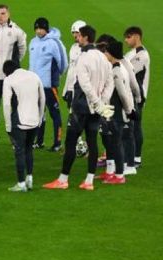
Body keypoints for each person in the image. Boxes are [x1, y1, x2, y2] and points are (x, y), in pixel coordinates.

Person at [43, 25, 114, 191]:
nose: (77, 38)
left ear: (86, 38)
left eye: (79, 36)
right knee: (92, 142)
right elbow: (110, 81)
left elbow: (84, 83)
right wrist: (102, 102)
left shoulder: (83, 57)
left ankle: (63, 180)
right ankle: (89, 181)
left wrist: (96, 101)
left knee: (70, 142)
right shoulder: (103, 57)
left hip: (81, 107)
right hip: (96, 109)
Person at [0, 4, 27, 145]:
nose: (0, 16)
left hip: (11, 76)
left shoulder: (16, 31)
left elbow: (22, 49)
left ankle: (14, 136)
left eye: (2, 13)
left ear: (8, 14)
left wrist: (14, 63)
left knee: (13, 104)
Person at [1, 60, 45, 192]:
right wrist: (40, 117)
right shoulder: (34, 75)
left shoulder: (9, 80)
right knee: (29, 149)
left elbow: (7, 105)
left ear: (7, 72)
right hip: (35, 120)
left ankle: (20, 183)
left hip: (19, 121)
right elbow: (42, 98)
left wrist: (8, 125)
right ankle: (29, 179)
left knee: (19, 151)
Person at [97, 40, 136, 185]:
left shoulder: (117, 71)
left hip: (118, 113)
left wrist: (128, 111)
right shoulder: (117, 68)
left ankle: (119, 176)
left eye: (106, 51)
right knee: (112, 142)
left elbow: (123, 94)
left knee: (116, 142)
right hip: (114, 111)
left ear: (111, 54)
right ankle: (111, 172)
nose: (105, 54)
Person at [28, 17, 67, 151]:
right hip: (35, 85)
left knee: (54, 114)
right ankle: (39, 141)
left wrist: (55, 77)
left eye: (41, 29)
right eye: (37, 29)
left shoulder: (54, 43)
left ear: (46, 29)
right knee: (38, 114)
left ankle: (57, 143)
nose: (38, 31)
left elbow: (63, 63)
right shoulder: (32, 42)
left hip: (49, 85)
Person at [124, 26, 150, 168]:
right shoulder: (132, 53)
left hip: (138, 95)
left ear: (137, 36)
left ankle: (136, 158)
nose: (126, 40)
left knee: (135, 127)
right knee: (130, 127)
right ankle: (130, 156)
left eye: (129, 36)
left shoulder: (142, 55)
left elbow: (129, 72)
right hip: (131, 94)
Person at [63, 20, 86, 108]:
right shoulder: (73, 47)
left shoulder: (89, 50)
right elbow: (71, 69)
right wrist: (66, 89)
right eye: (73, 32)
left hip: (81, 90)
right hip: (71, 88)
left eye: (77, 32)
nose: (75, 35)